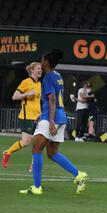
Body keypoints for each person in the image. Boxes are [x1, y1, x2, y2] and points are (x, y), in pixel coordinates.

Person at [20, 49, 88, 195]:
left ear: (46, 62)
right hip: (61, 117)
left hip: (51, 117)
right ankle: (78, 175)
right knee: (52, 153)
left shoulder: (48, 77)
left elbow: (52, 99)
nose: (41, 61)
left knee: (36, 149)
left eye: (42, 59)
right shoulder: (58, 76)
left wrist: (50, 120)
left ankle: (37, 187)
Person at [2, 62, 42, 170]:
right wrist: (27, 94)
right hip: (26, 116)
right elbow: (14, 97)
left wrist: (41, 113)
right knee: (25, 143)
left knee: (38, 143)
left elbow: (38, 101)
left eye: (41, 69)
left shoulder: (39, 84)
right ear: (32, 70)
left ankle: (33, 166)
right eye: (38, 68)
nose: (40, 70)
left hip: (37, 117)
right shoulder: (26, 82)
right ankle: (8, 153)